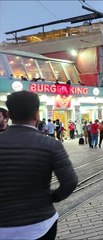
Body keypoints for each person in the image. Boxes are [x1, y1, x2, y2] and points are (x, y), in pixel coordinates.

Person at [0, 91, 78, 240]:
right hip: (40, 224)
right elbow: (70, 182)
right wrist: (51, 198)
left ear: (9, 114)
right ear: (36, 114)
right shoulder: (50, 144)